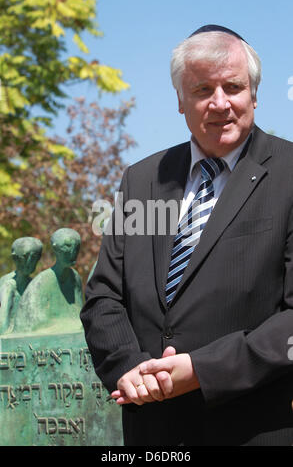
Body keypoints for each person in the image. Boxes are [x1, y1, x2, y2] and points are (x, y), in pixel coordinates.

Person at [81, 25, 293, 446]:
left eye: (233, 87)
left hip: (252, 430)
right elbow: (104, 295)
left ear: (254, 94)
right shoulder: (142, 180)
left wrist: (201, 370)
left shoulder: (289, 173)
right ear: (180, 100)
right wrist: (129, 368)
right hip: (151, 433)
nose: (220, 103)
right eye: (202, 90)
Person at [14, 228, 83, 334]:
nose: (73, 252)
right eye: (68, 246)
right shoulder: (42, 282)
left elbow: (79, 312)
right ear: (56, 249)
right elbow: (34, 322)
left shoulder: (75, 277)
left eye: (77, 247)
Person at [0, 237, 43, 334]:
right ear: (15, 259)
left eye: (35, 257)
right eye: (25, 257)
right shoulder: (8, 285)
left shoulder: (33, 284)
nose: (29, 262)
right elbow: (2, 325)